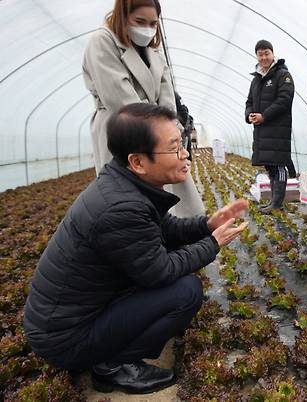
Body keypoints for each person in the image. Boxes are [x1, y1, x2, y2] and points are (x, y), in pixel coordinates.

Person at [22, 103, 249, 394]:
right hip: (66, 338)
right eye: (174, 148)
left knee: (175, 282)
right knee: (185, 291)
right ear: (138, 161)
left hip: (69, 318)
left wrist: (207, 224)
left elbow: (166, 228)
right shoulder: (120, 208)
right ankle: (112, 366)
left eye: (182, 144)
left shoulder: (125, 184)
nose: (185, 154)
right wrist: (213, 242)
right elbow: (161, 272)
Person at [82, 0, 204, 217]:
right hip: (123, 132)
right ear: (123, 15)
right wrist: (162, 130)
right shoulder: (102, 42)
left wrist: (171, 129)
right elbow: (121, 100)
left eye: (153, 23)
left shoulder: (153, 51)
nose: (147, 29)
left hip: (161, 132)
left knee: (175, 204)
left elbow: (167, 95)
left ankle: (178, 240)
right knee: (131, 205)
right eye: (140, 21)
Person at [245, 39, 295, 213]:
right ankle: (274, 202)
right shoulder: (256, 79)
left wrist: (264, 116)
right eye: (260, 54)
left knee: (279, 165)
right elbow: (249, 101)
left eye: (267, 53)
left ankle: (277, 203)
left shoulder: (282, 75)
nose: (264, 57)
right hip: (262, 130)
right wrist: (249, 115)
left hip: (278, 129)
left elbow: (284, 100)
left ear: (273, 54)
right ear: (257, 56)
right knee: (270, 165)